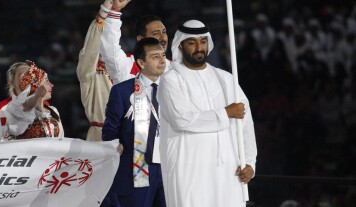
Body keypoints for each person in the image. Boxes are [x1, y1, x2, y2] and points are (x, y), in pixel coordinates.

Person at [156, 19, 258, 207]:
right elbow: (181, 119)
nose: (198, 47)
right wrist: (225, 113)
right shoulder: (170, 80)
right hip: (189, 169)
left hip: (228, 169)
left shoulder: (225, 79)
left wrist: (249, 161)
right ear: (180, 45)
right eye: (192, 42)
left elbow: (245, 124)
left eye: (203, 41)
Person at [102, 38, 167, 207]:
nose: (162, 60)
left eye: (163, 55)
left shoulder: (174, 89)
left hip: (169, 165)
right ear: (141, 62)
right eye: (155, 56)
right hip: (137, 167)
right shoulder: (122, 91)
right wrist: (115, 145)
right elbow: (110, 130)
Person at [100, 0, 171, 84]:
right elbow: (109, 48)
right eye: (156, 33)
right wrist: (115, 11)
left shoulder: (173, 67)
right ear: (141, 39)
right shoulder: (127, 65)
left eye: (164, 32)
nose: (162, 37)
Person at [76, 0, 113, 141]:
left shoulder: (126, 65)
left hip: (129, 136)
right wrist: (102, 16)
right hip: (100, 137)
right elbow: (89, 51)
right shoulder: (89, 72)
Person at [4, 60, 61, 140]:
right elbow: (26, 105)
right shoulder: (17, 109)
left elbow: (61, 141)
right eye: (47, 81)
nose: (51, 85)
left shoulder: (53, 111)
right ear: (35, 85)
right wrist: (37, 95)